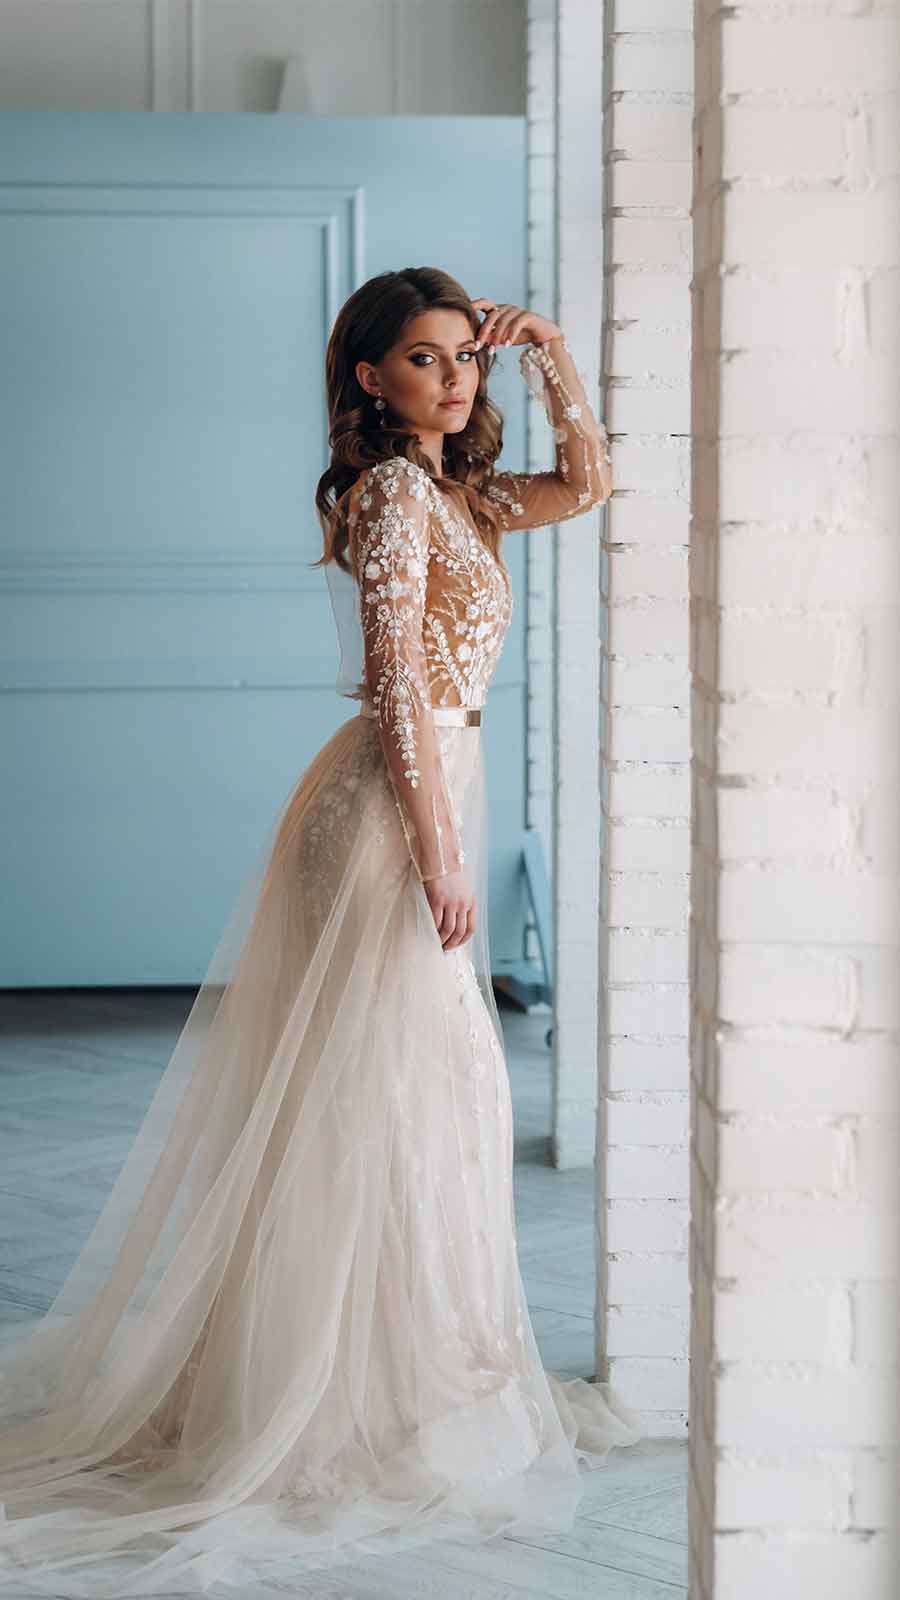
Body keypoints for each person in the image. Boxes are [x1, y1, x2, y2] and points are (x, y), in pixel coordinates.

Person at [0, 267, 641, 1598]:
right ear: (368, 378)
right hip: (383, 817)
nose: (454, 377)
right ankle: (328, 1391)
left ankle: (394, 1371)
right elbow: (397, 670)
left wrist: (555, 357)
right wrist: (439, 845)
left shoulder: (461, 492)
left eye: (465, 355)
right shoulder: (394, 496)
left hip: (420, 791)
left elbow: (589, 487)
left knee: (418, 1093)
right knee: (384, 1089)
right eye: (423, 358)